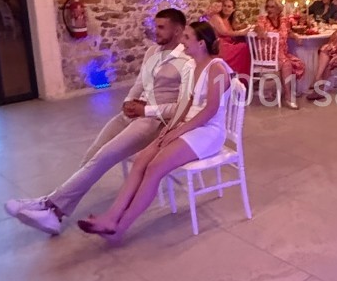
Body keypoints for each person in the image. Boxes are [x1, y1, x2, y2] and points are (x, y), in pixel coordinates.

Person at [5, 8, 193, 234]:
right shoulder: (153, 51)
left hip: (155, 122)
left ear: (178, 30)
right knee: (92, 153)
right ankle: (55, 210)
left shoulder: (187, 62)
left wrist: (146, 110)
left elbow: (181, 107)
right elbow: (140, 83)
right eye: (156, 26)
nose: (156, 31)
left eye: (161, 27)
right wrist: (128, 101)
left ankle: (50, 206)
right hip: (135, 112)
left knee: (105, 156)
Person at [78, 22, 232, 240]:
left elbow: (210, 111)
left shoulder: (217, 69)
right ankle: (111, 216)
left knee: (155, 167)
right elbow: (186, 102)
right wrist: (171, 127)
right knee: (141, 160)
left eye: (187, 37)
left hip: (208, 131)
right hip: (188, 125)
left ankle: (120, 227)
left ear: (201, 43)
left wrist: (178, 131)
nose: (182, 41)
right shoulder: (192, 66)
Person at [254, 0, 303, 109]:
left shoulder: (284, 20)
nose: (269, 9)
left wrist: (295, 36)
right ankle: (288, 96)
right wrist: (260, 31)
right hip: (268, 54)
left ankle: (282, 90)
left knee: (297, 63)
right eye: (268, 7)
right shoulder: (263, 20)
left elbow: (288, 32)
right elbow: (256, 28)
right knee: (286, 64)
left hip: (282, 53)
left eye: (272, 7)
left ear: (278, 9)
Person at [210, 0, 251, 79]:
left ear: (233, 9)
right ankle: (239, 77)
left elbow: (233, 30)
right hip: (220, 46)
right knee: (244, 47)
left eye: (229, 7)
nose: (226, 8)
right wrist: (242, 32)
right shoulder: (216, 17)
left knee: (245, 45)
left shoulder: (229, 20)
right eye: (225, 6)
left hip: (228, 45)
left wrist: (242, 28)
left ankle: (240, 77)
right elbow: (224, 32)